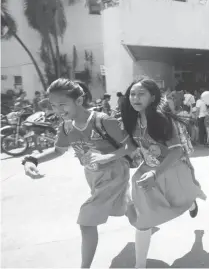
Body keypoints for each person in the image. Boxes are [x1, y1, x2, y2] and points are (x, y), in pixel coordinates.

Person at [22, 78, 133, 268]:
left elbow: (130, 146)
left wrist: (107, 157)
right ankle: (145, 216)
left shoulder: (102, 120)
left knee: (87, 221)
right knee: (124, 208)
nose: (57, 110)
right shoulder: (66, 127)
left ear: (79, 101)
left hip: (114, 173)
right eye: (53, 106)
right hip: (93, 177)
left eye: (62, 105)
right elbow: (58, 150)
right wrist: (32, 160)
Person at [120, 77, 206, 269]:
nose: (135, 98)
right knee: (144, 219)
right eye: (132, 94)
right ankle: (139, 265)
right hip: (147, 173)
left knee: (181, 200)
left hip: (172, 168)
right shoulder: (130, 118)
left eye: (141, 94)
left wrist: (155, 173)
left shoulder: (162, 119)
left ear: (152, 97)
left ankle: (191, 202)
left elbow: (177, 151)